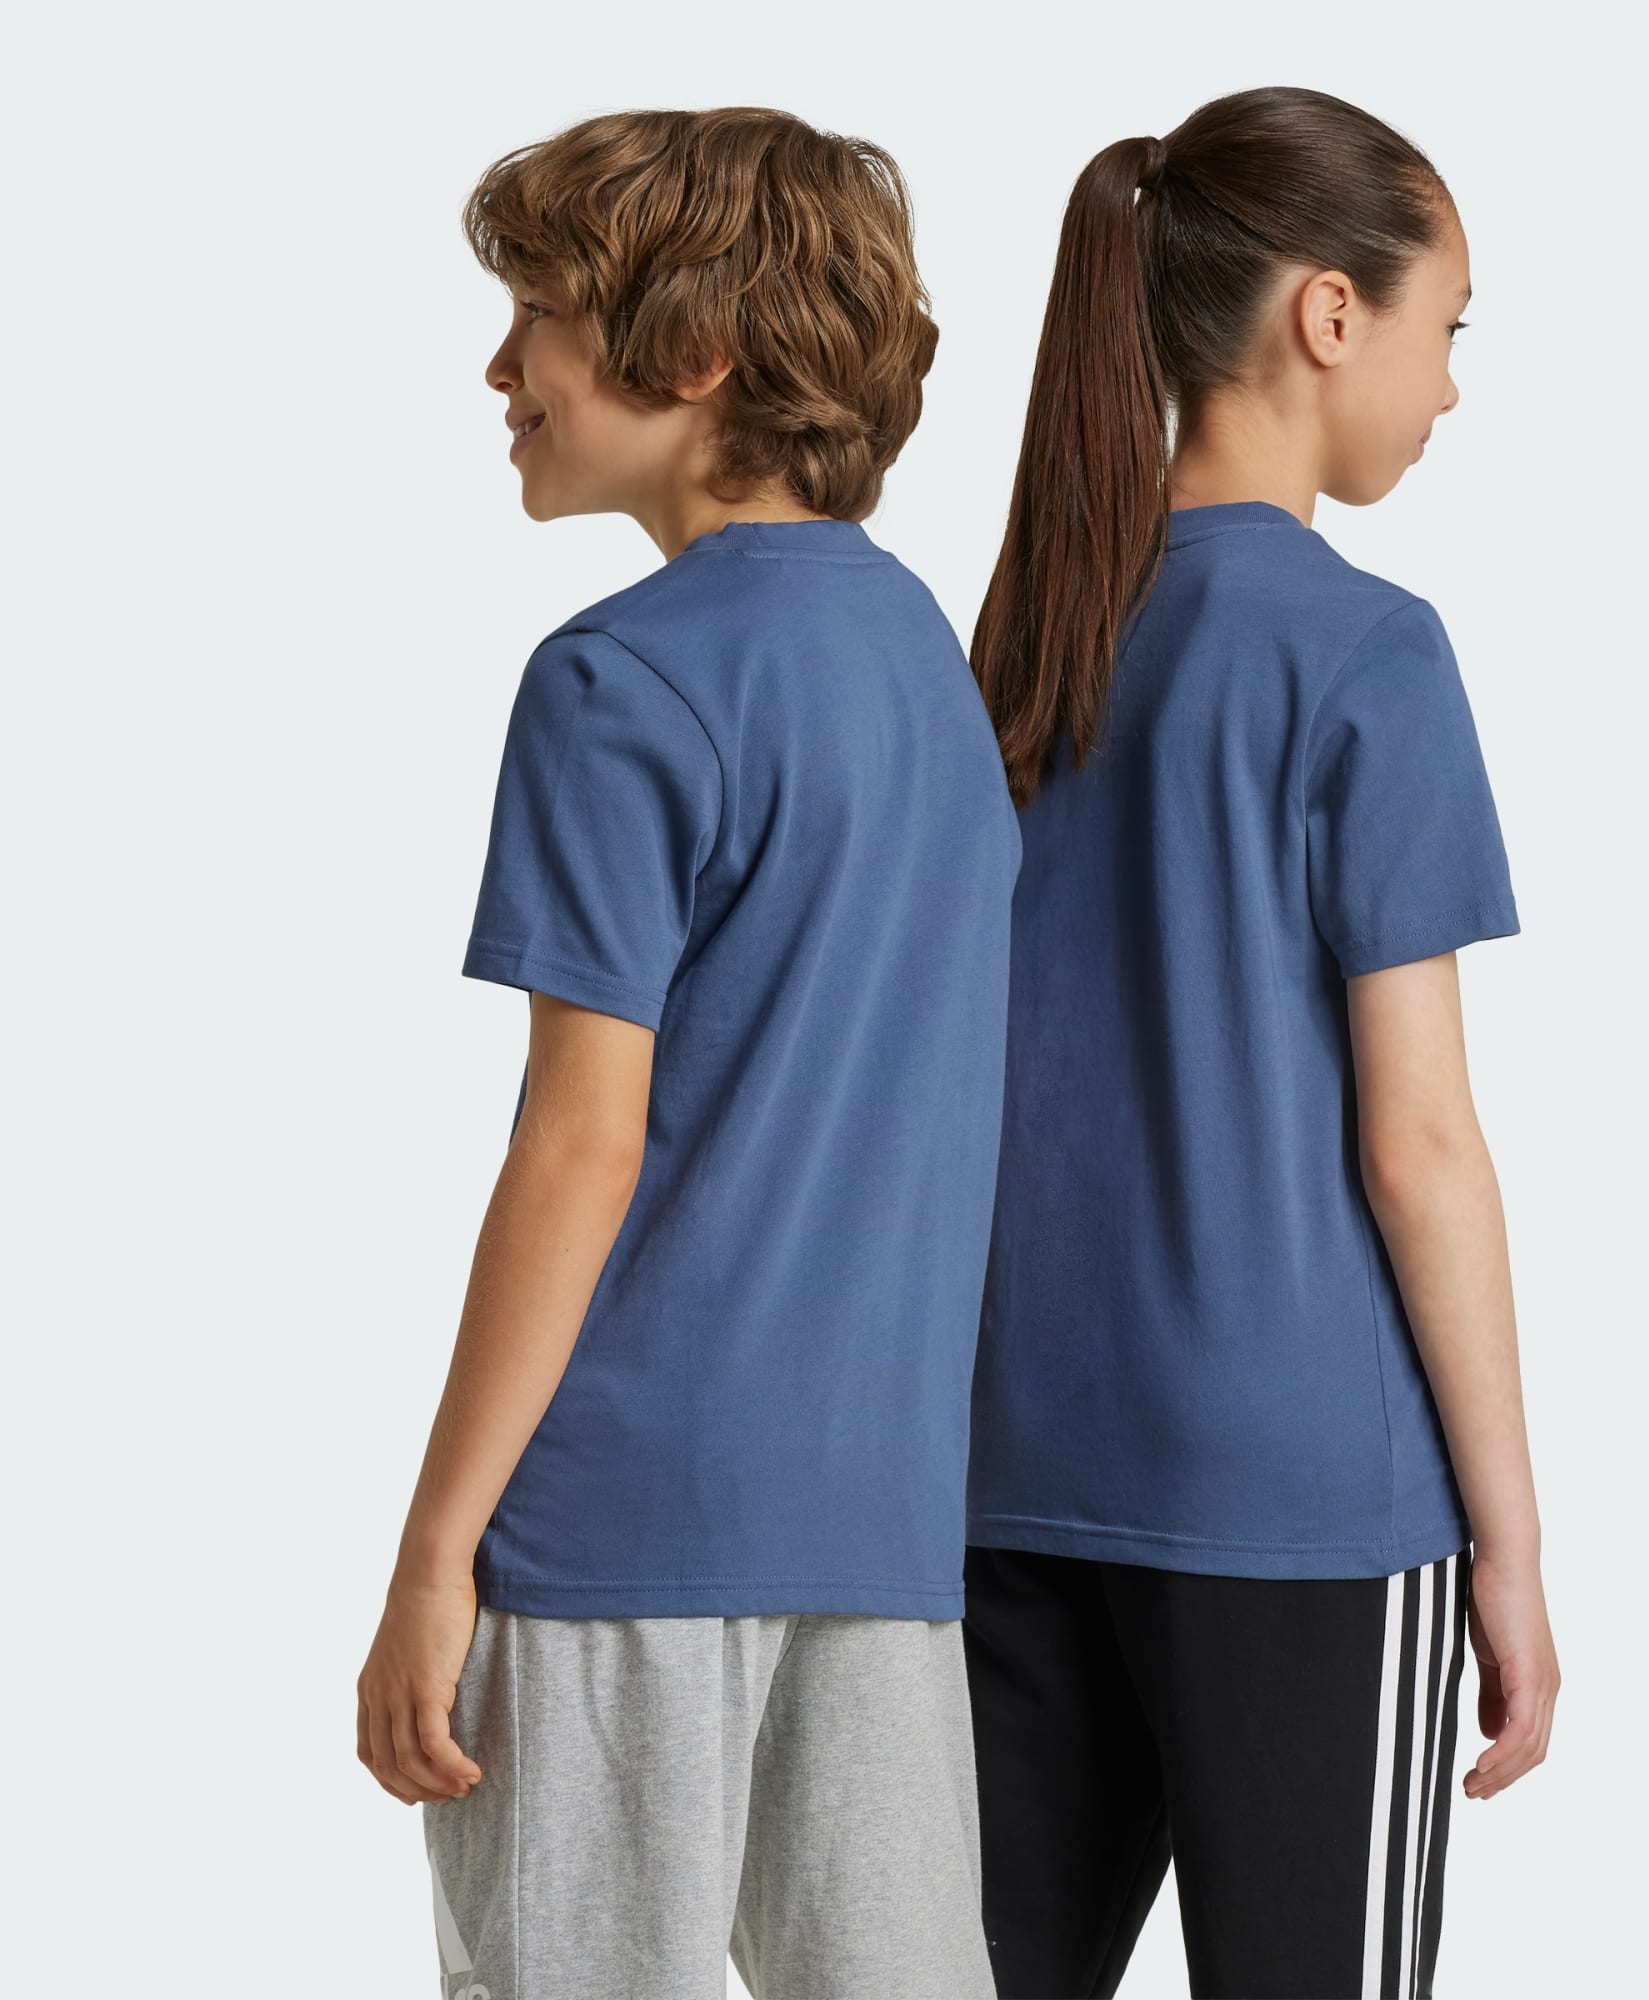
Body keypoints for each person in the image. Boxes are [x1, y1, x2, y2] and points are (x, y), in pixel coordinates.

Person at [354, 108, 1015, 2000]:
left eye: (539, 315)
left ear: (699, 351)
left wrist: (434, 1553)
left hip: (627, 1522)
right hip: (886, 1531)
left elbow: (583, 1148)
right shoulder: (929, 670)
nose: (503, 368)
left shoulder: (619, 680)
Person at [963, 86, 1560, 1999]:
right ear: (1328, 314)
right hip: (1293, 1504)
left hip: (1003, 1467)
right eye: (1445, 328)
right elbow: (1420, 1143)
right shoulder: (1366, 651)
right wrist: (1510, 1546)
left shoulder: (1022, 639)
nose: (1449, 388)